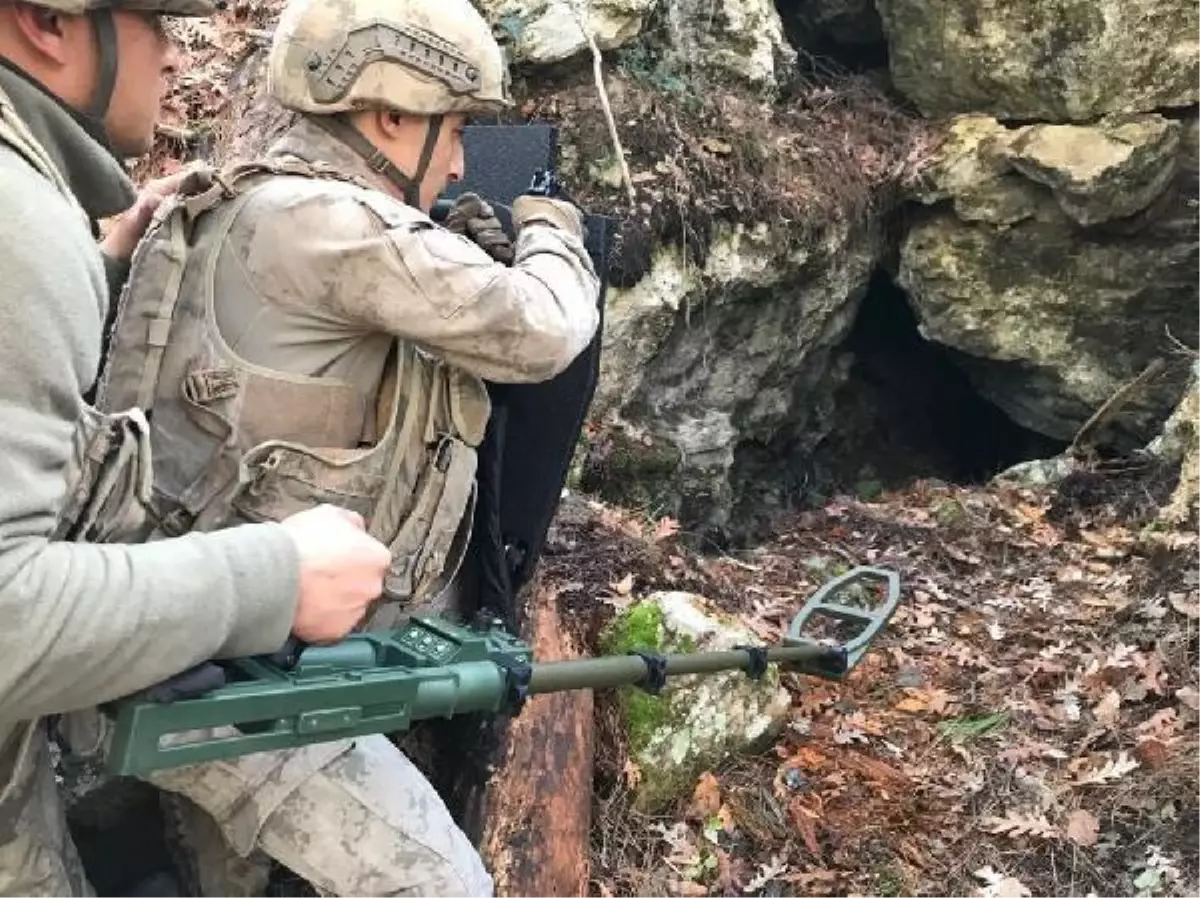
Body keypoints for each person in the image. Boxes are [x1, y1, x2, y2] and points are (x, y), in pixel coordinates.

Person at [88, 0, 603, 892]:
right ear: (390, 114)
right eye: (453, 131)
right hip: (230, 681)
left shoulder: (244, 201)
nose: (459, 161)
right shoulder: (329, 223)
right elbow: (546, 330)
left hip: (191, 642)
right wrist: (552, 229)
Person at [0, 2, 396, 895]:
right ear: (46, 22)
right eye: (157, 26)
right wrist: (274, 575)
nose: (177, 61)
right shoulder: (13, 222)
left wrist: (99, 268)